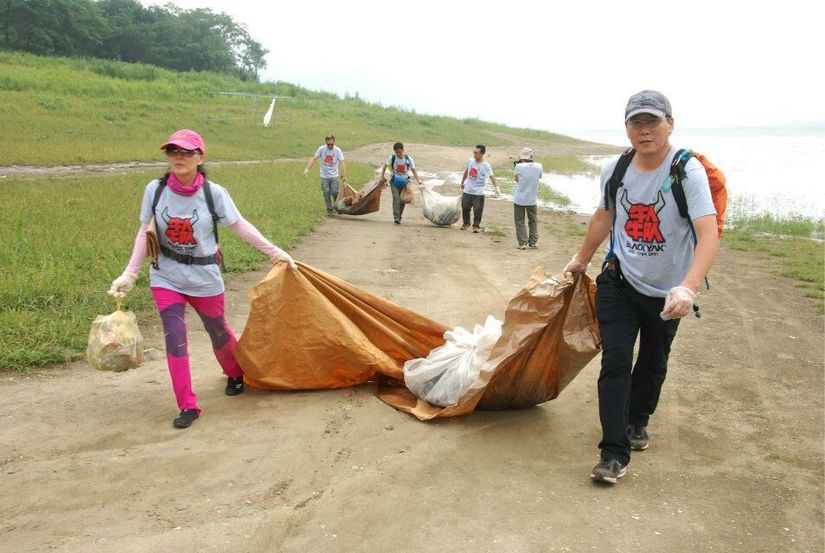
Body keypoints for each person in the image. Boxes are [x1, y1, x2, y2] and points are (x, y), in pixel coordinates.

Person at [563, 91, 719, 484]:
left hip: (667, 291)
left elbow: (708, 233)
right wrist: (581, 257)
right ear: (627, 126)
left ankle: (638, 419)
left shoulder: (688, 172)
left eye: (652, 121)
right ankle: (613, 452)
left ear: (670, 123)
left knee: (653, 360)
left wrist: (688, 287)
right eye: (636, 122)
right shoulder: (616, 170)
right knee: (615, 360)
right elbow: (604, 215)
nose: (644, 130)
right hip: (620, 279)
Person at [108, 129, 297, 430]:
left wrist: (275, 253)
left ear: (200, 157)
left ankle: (235, 372)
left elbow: (240, 226)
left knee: (218, 331)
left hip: (204, 278)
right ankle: (188, 405)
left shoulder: (214, 193)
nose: (178, 157)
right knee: (174, 337)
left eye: (186, 152)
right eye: (172, 151)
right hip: (165, 276)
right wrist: (130, 273)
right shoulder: (154, 190)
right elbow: (144, 232)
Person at [379, 142, 424, 224]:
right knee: (396, 198)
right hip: (394, 182)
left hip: (404, 183)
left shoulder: (408, 159)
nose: (398, 154)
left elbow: (413, 170)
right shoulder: (392, 158)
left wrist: (419, 181)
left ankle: (399, 217)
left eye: (400, 152)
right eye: (396, 153)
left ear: (403, 150)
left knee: (403, 200)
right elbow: (385, 166)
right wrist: (381, 177)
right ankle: (396, 217)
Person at [303, 134, 348, 215]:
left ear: (334, 142)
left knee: (334, 192)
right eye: (328, 144)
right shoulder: (321, 149)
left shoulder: (338, 150)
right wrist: (307, 168)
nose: (330, 146)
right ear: (325, 143)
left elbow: (342, 163)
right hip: (324, 176)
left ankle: (337, 206)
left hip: (334, 175)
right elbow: (314, 158)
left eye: (332, 144)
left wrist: (344, 177)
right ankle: (329, 209)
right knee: (326, 192)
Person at [459, 144, 500, 232]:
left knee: (478, 210)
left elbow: (491, 176)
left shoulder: (486, 165)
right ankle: (466, 223)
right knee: (465, 207)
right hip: (467, 190)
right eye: (474, 152)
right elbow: (466, 172)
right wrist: (462, 182)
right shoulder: (470, 161)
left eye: (476, 153)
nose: (474, 154)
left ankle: (476, 226)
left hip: (478, 192)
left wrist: (496, 187)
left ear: (482, 154)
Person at [512, 147, 543, 249]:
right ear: (531, 156)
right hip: (532, 199)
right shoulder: (539, 166)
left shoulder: (519, 167)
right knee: (533, 221)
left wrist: (517, 165)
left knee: (519, 221)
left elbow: (517, 180)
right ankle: (533, 242)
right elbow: (537, 177)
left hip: (520, 198)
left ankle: (522, 243)